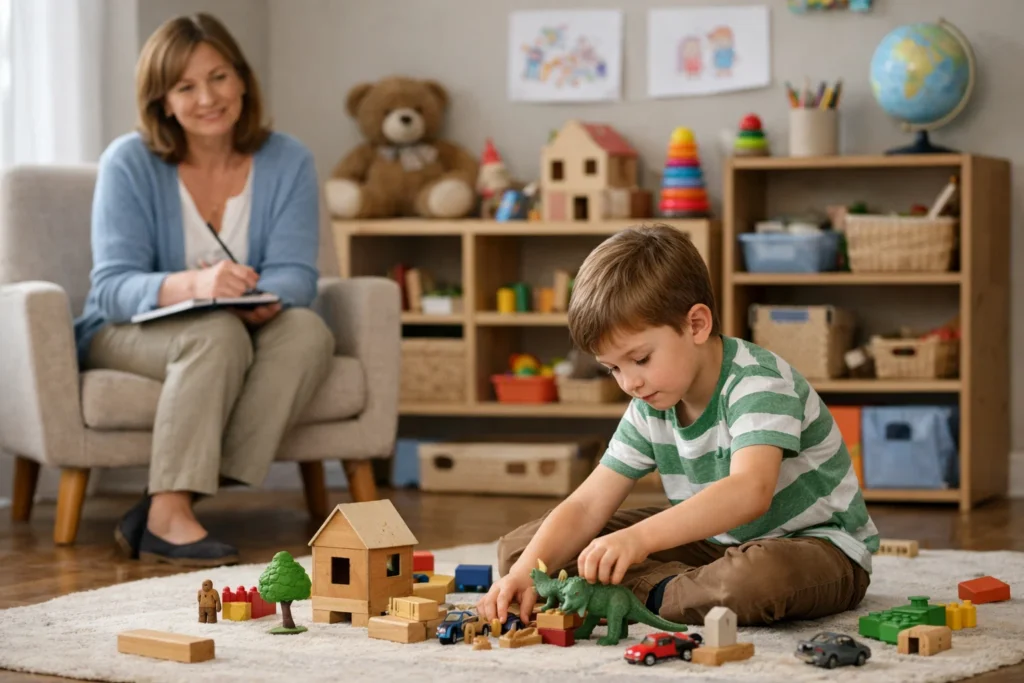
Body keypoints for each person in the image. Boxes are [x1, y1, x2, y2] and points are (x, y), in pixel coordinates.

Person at [477, 224, 879, 627]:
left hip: (816, 548)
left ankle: (632, 593)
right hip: (714, 544)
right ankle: (667, 592)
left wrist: (638, 540)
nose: (629, 383)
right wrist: (524, 574)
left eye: (641, 358)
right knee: (524, 552)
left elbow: (749, 492)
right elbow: (586, 505)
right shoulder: (650, 399)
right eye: (613, 368)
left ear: (696, 325)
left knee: (752, 581)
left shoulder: (758, 382)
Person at [73, 13, 335, 567]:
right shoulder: (129, 162)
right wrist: (197, 285)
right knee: (215, 332)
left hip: (238, 323)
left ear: (241, 80)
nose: (207, 97)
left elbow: (296, 275)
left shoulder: (287, 159)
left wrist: (254, 298)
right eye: (185, 86)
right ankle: (168, 514)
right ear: (163, 102)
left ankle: (170, 499)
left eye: (218, 77)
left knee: (307, 329)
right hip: (126, 332)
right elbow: (113, 288)